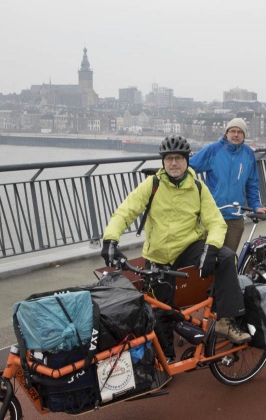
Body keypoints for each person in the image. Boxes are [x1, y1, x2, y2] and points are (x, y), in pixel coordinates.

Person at [102, 135, 251, 359]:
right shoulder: (151, 185)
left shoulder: (198, 188)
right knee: (161, 309)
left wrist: (211, 248)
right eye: (169, 158)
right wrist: (110, 240)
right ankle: (167, 358)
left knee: (227, 257)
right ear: (163, 162)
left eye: (179, 158)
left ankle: (225, 320)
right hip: (159, 253)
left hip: (188, 246)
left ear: (187, 161)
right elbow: (125, 212)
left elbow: (216, 223)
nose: (174, 163)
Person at [189, 117, 266, 252]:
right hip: (213, 215)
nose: (236, 135)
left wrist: (256, 205)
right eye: (232, 131)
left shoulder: (248, 154)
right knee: (209, 257)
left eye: (239, 132)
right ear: (226, 133)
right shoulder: (213, 150)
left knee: (229, 257)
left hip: (235, 217)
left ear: (244, 135)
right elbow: (189, 167)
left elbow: (252, 183)